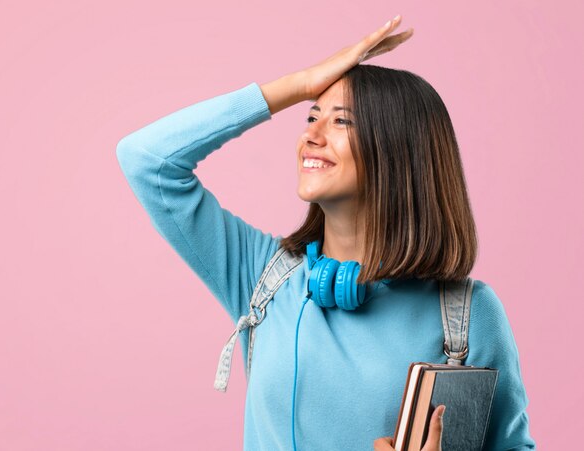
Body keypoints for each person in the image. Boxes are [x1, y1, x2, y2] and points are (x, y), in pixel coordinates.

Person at [116, 14, 535, 451]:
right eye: (311, 117)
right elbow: (148, 159)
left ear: (397, 151)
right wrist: (300, 83)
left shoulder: (468, 316)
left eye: (341, 122)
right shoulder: (261, 276)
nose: (309, 137)